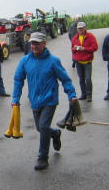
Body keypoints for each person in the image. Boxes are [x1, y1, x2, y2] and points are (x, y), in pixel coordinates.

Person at [12, 32, 77, 171]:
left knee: (42, 126)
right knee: (40, 128)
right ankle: (55, 134)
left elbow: (65, 79)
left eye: (36, 43)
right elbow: (18, 80)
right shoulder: (25, 61)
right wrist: (15, 98)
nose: (34, 46)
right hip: (34, 100)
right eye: (32, 43)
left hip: (50, 99)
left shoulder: (53, 61)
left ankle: (43, 157)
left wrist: (71, 94)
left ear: (44, 44)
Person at [71, 22, 98, 102]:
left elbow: (95, 47)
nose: (80, 30)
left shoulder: (90, 36)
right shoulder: (75, 38)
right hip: (78, 62)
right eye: (79, 28)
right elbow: (72, 49)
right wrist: (75, 49)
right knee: (81, 79)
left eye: (82, 28)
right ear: (77, 29)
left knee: (88, 79)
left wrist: (84, 49)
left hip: (87, 62)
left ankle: (89, 95)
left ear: (85, 28)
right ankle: (84, 94)